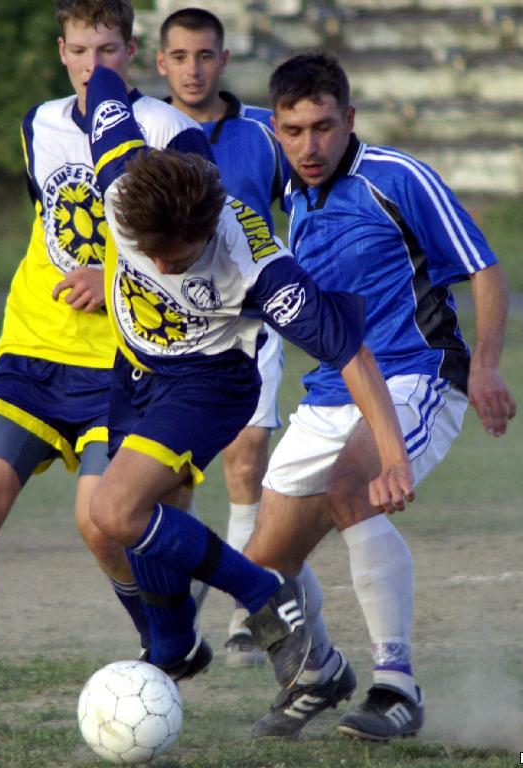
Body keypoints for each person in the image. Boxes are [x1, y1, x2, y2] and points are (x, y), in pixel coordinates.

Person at [0, 0, 214, 741]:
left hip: (122, 364)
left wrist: (109, 269)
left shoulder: (169, 132)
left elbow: (191, 240)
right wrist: (76, 267)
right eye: (80, 49)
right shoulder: (39, 124)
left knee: (102, 525)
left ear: (132, 50)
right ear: (61, 51)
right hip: (30, 352)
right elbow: (53, 219)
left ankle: (162, 649)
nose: (94, 65)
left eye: (108, 49)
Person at [83, 64, 415, 694]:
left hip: (210, 380)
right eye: (148, 253)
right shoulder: (122, 185)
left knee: (114, 509)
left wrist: (392, 452)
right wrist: (103, 67)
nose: (157, 265)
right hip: (136, 371)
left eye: (174, 260)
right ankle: (178, 648)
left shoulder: (257, 265)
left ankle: (265, 597)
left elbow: (351, 352)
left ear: (207, 232)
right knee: (144, 528)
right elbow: (103, 87)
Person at [244, 52, 517, 743]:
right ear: (276, 130)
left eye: (324, 127)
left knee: (351, 487)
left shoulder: (397, 178)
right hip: (332, 390)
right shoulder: (290, 194)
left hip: (416, 375)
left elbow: (484, 269)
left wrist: (484, 367)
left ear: (350, 120)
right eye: (294, 130)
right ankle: (318, 672)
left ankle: (396, 688)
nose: (310, 146)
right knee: (256, 567)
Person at [156, 6, 320, 668]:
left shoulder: (261, 133)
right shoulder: (145, 130)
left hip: (251, 322)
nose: (193, 69)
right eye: (180, 57)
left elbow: (306, 199)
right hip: (171, 327)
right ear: (160, 62)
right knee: (172, 479)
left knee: (247, 457)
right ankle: (175, 616)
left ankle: (245, 615)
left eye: (204, 56)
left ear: (223, 61)